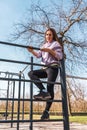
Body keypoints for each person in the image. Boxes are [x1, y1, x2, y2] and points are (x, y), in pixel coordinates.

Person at [27, 28, 63, 120]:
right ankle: (42, 91)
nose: (48, 36)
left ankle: (46, 111)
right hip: (45, 68)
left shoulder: (56, 44)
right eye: (47, 34)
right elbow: (38, 55)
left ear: (53, 35)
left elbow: (59, 56)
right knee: (31, 73)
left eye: (50, 34)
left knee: (50, 87)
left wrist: (49, 50)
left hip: (53, 67)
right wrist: (31, 51)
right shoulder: (44, 45)